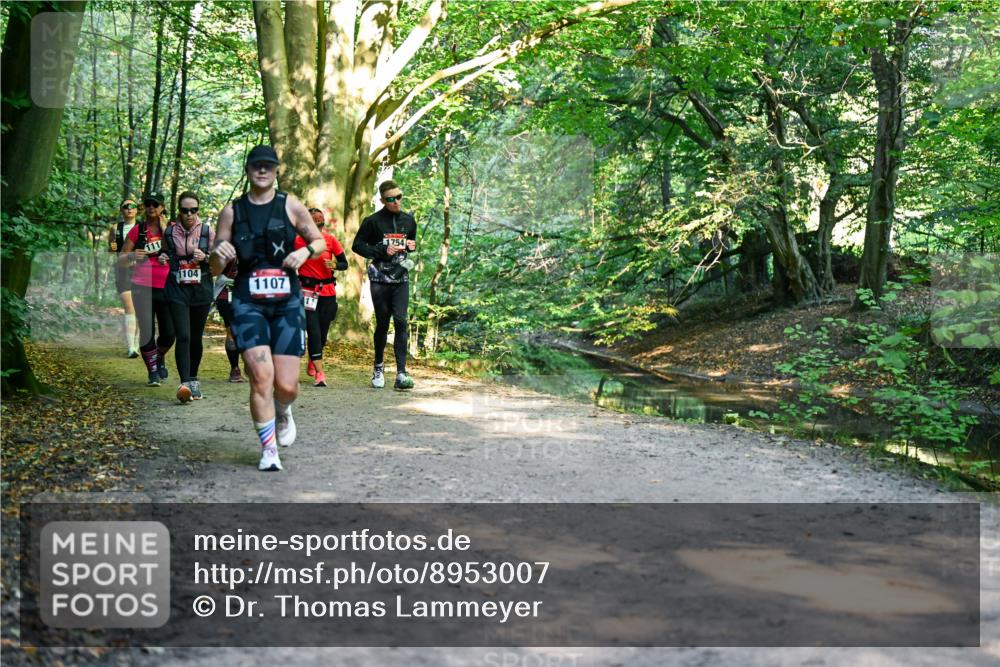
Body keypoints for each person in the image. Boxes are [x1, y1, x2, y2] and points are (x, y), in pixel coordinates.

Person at [209, 145, 325, 472]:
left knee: (286, 385)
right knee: (261, 376)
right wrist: (221, 254)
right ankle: (269, 449)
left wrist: (304, 254)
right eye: (256, 166)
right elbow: (214, 267)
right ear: (247, 170)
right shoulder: (232, 211)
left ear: (276, 171)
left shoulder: (290, 205)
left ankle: (284, 410)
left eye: (268, 166)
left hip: (287, 303)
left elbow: (318, 242)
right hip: (248, 303)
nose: (262, 171)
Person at [351, 179, 416, 390]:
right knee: (383, 323)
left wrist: (411, 246)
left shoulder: (409, 220)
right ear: (382, 200)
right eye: (391, 199)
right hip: (380, 279)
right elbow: (357, 245)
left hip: (401, 278)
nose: (396, 202)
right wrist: (380, 250)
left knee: (401, 321)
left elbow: (410, 245)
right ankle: (378, 367)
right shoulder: (373, 221)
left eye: (399, 197)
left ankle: (401, 373)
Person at [118, 191, 175, 386]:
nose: (152, 207)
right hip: (142, 286)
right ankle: (152, 372)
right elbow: (122, 260)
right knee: (147, 331)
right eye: (148, 204)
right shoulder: (137, 230)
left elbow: (184, 253)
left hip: (167, 286)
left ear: (162, 207)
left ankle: (157, 357)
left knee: (169, 333)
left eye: (155, 204)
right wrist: (134, 256)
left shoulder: (172, 229)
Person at [162, 191, 214, 403]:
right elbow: (164, 253)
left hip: (201, 288)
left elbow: (221, 262)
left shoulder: (207, 231)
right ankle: (184, 383)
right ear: (179, 211)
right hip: (177, 288)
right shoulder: (170, 232)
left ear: (198, 210)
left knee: (195, 336)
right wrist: (164, 256)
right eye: (185, 210)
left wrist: (206, 257)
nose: (190, 214)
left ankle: (193, 380)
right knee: (182, 335)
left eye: (194, 210)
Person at [296, 207, 348, 387]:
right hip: (307, 292)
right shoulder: (297, 241)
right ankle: (320, 373)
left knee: (322, 333)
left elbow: (344, 263)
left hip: (327, 292)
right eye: (314, 218)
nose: (318, 220)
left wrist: (335, 264)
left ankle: (313, 358)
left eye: (320, 218)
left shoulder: (331, 240)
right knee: (313, 330)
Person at [108, 198, 141, 358]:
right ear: (121, 210)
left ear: (137, 210)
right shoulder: (116, 228)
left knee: (140, 309)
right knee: (130, 306)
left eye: (132, 206)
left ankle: (136, 344)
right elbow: (112, 249)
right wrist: (113, 247)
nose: (129, 209)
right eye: (125, 207)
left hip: (141, 271)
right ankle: (131, 347)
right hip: (123, 270)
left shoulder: (143, 227)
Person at [214, 257, 245, 383]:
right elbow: (215, 270)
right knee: (232, 331)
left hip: (251, 294)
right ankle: (235, 369)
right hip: (227, 294)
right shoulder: (227, 247)